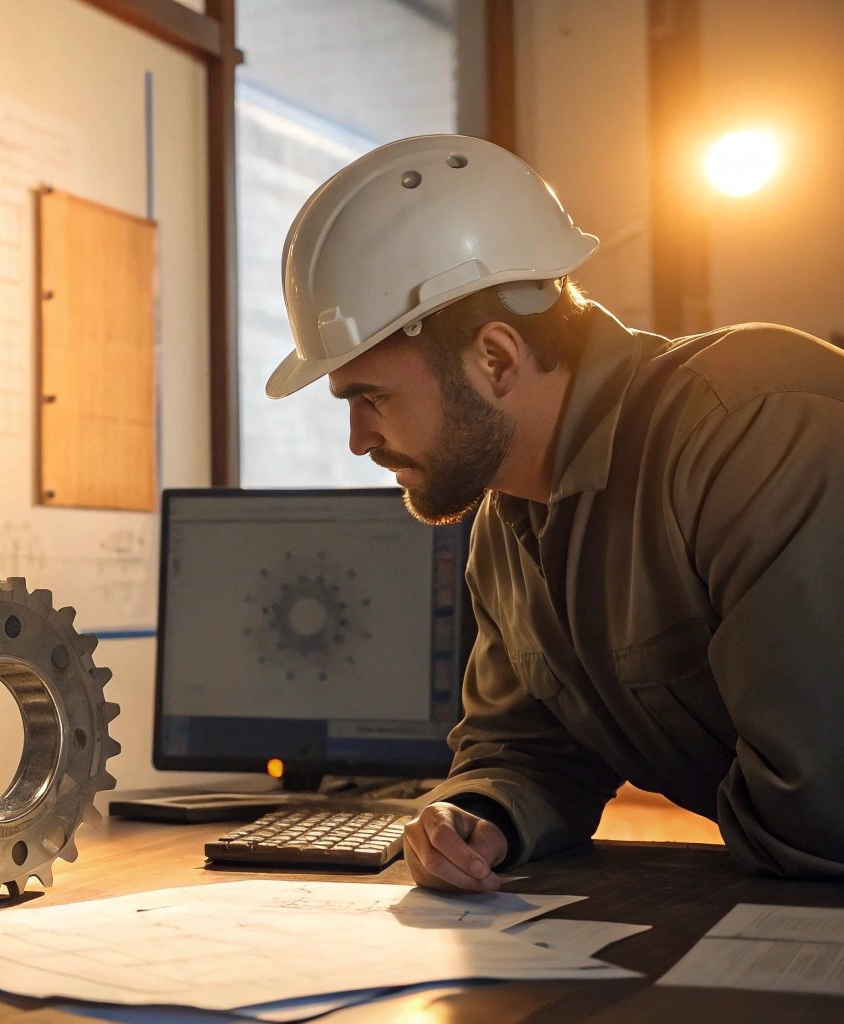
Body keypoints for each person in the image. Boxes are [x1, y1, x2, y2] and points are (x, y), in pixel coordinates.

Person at [269, 134, 844, 892]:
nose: (357, 440)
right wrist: (480, 817)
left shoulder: (749, 426)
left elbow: (823, 808)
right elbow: (527, 750)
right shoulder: (505, 523)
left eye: (371, 397)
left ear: (498, 358)